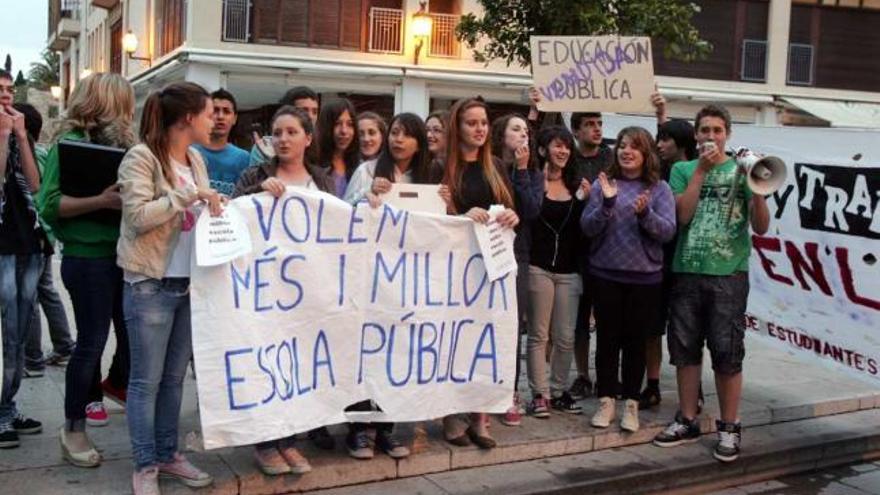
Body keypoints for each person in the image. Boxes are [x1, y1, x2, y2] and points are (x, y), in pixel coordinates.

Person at [117, 82, 222, 494]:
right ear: (187, 118)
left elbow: (194, 211)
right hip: (149, 282)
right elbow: (138, 216)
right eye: (209, 111)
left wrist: (213, 204)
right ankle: (145, 464)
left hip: (188, 282)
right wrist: (187, 195)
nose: (214, 118)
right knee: (146, 381)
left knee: (175, 378)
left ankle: (167, 453)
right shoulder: (140, 157)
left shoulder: (195, 158)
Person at [653, 105, 769, 463]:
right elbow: (682, 215)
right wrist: (700, 172)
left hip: (729, 275)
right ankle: (687, 418)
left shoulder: (742, 170)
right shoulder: (682, 170)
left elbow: (761, 226)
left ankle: (729, 426)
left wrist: (760, 190)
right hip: (687, 270)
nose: (711, 136)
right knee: (685, 349)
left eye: (717, 130)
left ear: (728, 135)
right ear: (697, 135)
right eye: (704, 130)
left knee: (727, 353)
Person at [39, 73, 136, 464]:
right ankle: (73, 429)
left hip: (126, 259)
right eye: (126, 103)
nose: (131, 112)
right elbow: (49, 205)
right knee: (91, 343)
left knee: (133, 338)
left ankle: (115, 383)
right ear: (109, 103)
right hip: (88, 259)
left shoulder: (131, 149)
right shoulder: (69, 147)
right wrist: (101, 201)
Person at [232, 105, 332, 475]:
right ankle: (265, 443)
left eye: (292, 132)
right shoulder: (254, 174)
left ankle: (289, 440)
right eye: (278, 132)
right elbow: (229, 216)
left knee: (298, 367)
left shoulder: (320, 181)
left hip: (307, 293)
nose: (284, 139)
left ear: (308, 138)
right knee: (268, 365)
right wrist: (257, 192)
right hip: (264, 293)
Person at [342, 112, 443, 460]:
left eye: (406, 134)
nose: (398, 140)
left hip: (407, 283)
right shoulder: (368, 171)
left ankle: (386, 428)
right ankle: (359, 430)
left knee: (396, 354)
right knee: (364, 353)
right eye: (394, 133)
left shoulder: (429, 177)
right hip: (370, 279)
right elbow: (343, 214)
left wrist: (446, 201)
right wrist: (366, 197)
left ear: (419, 142)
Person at [582, 126, 676, 433]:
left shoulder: (659, 188)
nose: (626, 151)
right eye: (622, 145)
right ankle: (606, 401)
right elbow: (587, 227)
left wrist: (646, 213)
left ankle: (632, 405)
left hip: (644, 279)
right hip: (605, 274)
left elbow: (667, 231)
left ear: (646, 153)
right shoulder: (604, 184)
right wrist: (607, 204)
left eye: (634, 146)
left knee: (636, 343)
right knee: (607, 340)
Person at [439, 97, 519, 450]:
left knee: (486, 339)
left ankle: (481, 416)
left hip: (493, 267)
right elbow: (430, 219)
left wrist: (511, 217)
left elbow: (512, 211)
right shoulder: (441, 166)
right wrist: (458, 215)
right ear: (458, 127)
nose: (480, 129)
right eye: (472, 123)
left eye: (484, 122)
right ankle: (452, 414)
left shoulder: (497, 166)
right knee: (456, 340)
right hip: (454, 269)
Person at [524, 125, 588, 420]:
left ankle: (559, 389)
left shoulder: (578, 186)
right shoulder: (533, 182)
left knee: (564, 336)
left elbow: (586, 229)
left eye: (566, 146)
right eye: (557, 146)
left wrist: (588, 201)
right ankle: (540, 395)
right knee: (538, 335)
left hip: (570, 271)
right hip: (538, 267)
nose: (563, 151)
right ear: (543, 150)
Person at [640, 110, 698, 411]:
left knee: (687, 329)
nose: (659, 145)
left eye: (666, 140)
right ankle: (652, 384)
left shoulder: (702, 172)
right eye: (658, 139)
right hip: (658, 261)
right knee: (652, 327)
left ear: (682, 143)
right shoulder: (657, 176)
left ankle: (693, 388)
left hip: (689, 262)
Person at [0, 69, 45, 449]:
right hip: (1, 245)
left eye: (10, 90)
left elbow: (33, 184)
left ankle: (9, 404)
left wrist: (19, 136)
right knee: (4, 332)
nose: (6, 96)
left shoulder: (18, 133)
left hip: (28, 242)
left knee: (20, 328)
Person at [489, 113, 542, 427]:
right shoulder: (489, 166)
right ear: (502, 134)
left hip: (516, 255)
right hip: (486, 251)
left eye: (526, 130)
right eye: (516, 129)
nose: (523, 135)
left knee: (512, 325)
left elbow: (531, 210)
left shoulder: (531, 173)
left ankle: (509, 392)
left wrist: (521, 171)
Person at [13, 102, 74, 375]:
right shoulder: (44, 152)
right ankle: (63, 346)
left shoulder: (25, 155)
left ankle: (33, 359)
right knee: (46, 291)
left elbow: (34, 191)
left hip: (32, 234)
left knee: (32, 295)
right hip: (45, 234)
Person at [568, 111, 614, 401]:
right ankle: (583, 375)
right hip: (577, 248)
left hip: (608, 248)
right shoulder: (568, 158)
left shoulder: (611, 157)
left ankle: (607, 376)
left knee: (609, 318)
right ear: (576, 130)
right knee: (579, 319)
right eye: (589, 125)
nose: (596, 130)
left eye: (599, 124)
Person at [194, 89, 250, 196]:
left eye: (226, 111)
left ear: (234, 119)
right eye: (215, 110)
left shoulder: (243, 158)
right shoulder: (190, 152)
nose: (220, 116)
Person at [249, 86, 320, 166]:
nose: (310, 116)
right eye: (304, 110)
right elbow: (256, 177)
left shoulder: (321, 146)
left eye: (315, 112)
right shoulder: (265, 147)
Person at [316, 98, 359, 199]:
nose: (344, 131)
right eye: (337, 124)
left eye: (350, 124)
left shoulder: (359, 166)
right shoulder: (312, 164)